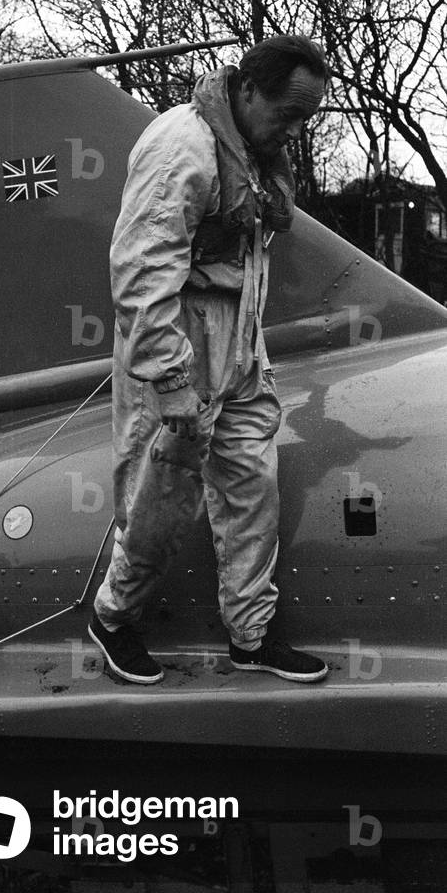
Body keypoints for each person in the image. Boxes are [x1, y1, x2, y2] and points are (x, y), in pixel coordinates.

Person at [88, 34, 330, 685]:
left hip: (238, 344)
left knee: (251, 489)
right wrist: (169, 380)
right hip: (180, 342)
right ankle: (112, 618)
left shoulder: (253, 151)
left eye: (303, 119)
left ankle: (249, 635)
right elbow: (140, 277)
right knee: (157, 499)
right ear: (248, 90)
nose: (292, 130)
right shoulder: (182, 148)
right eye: (286, 113)